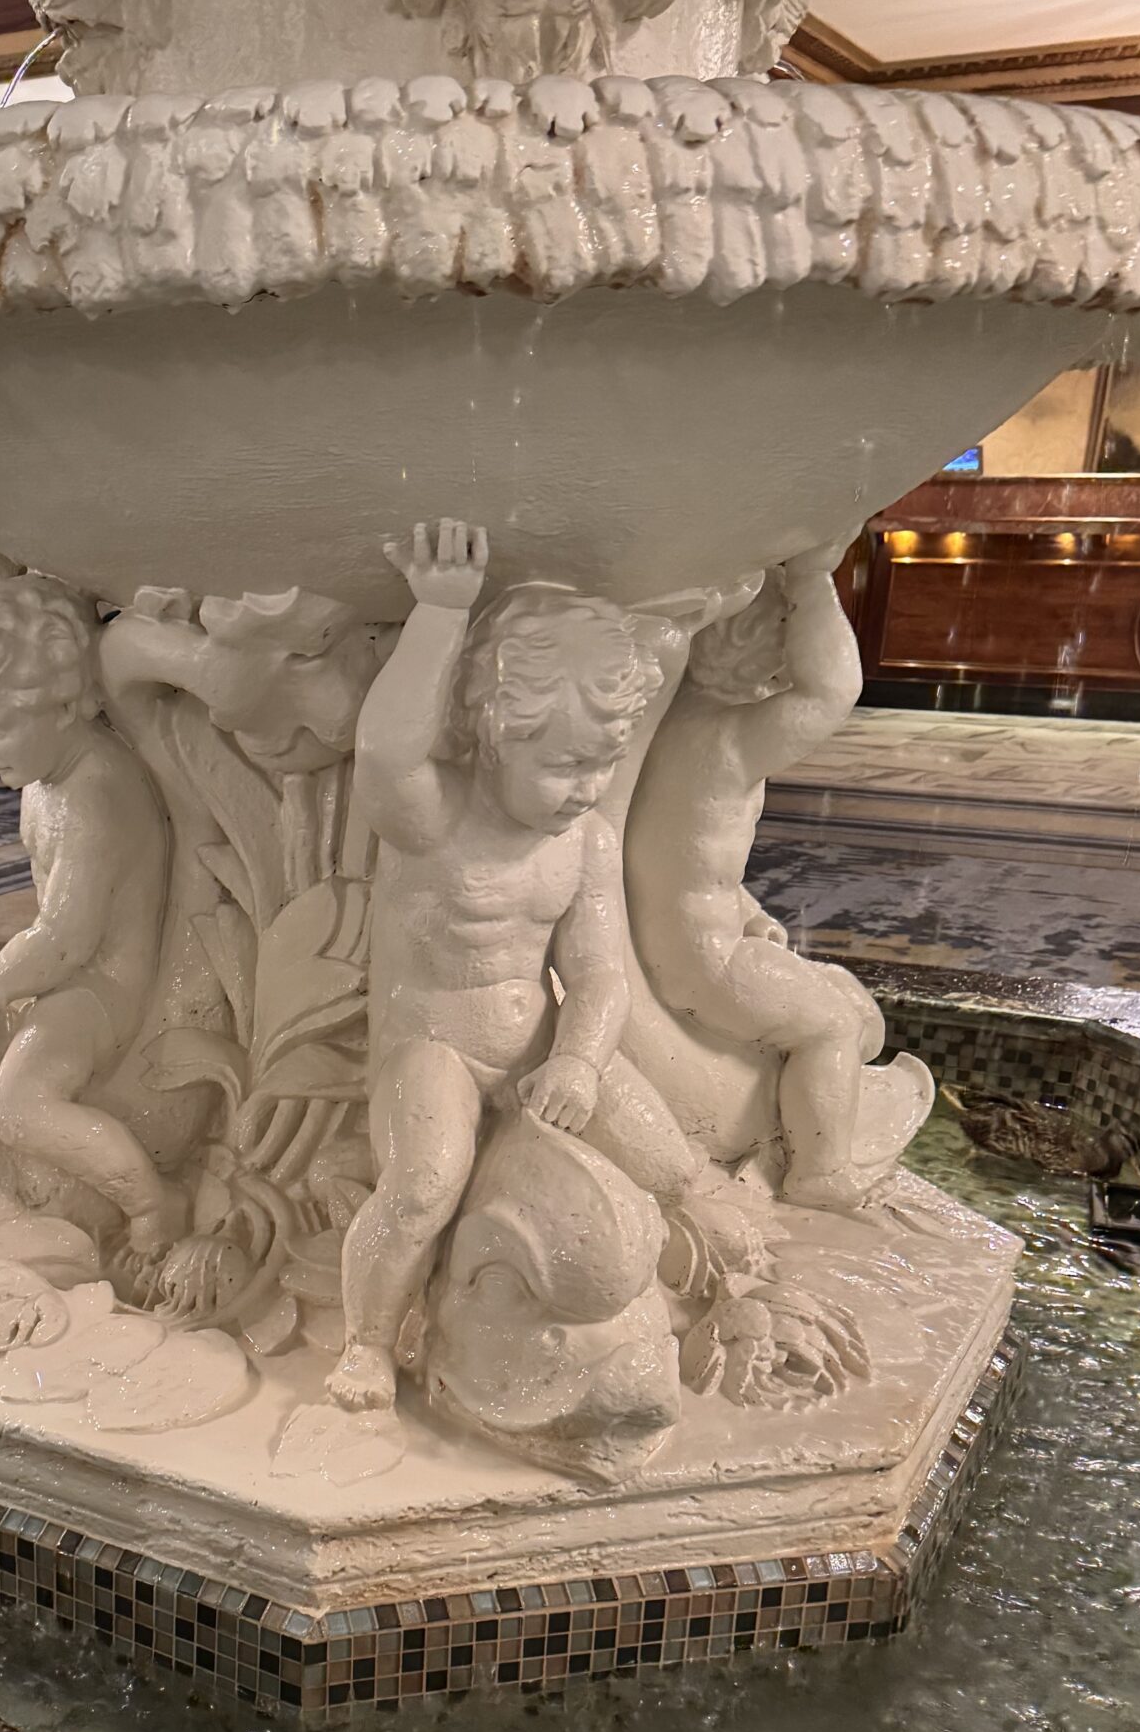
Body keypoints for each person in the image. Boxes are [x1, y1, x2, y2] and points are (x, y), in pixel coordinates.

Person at [329, 519, 667, 1413]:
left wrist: (579, 1062)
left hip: (541, 1053)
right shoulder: (432, 820)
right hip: (432, 1050)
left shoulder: (583, 843)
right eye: (562, 765)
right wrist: (441, 611)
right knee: (422, 1186)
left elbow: (598, 977)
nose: (586, 789)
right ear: (492, 733)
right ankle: (367, 1341)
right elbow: (386, 751)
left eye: (601, 764)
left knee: (663, 1157)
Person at [624, 542, 931, 1210]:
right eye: (788, 640)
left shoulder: (681, 721)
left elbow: (685, 859)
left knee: (840, 994)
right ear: (764, 648)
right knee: (833, 1024)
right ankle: (819, 1174)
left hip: (693, 939)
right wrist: (812, 580)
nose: (790, 669)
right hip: (706, 962)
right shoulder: (731, 735)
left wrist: (747, 908)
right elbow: (833, 691)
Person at [0, 573, 190, 1270]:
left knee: (19, 1105)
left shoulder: (93, 795)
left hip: (102, 987)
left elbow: (64, 939)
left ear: (63, 700)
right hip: (68, 974)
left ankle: (151, 1202)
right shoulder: (50, 779)